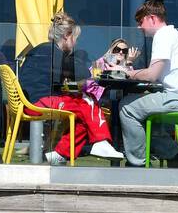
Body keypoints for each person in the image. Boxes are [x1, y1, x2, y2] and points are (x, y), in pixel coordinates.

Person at [13, 13, 117, 163]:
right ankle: (100, 140)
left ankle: (61, 154)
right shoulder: (56, 54)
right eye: (75, 38)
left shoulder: (41, 50)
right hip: (37, 104)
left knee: (84, 111)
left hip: (29, 101)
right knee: (87, 101)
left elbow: (55, 83)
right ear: (67, 35)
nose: (75, 44)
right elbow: (83, 73)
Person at [117, 0, 178, 169]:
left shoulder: (163, 35)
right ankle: (177, 156)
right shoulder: (172, 34)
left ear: (152, 18)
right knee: (146, 114)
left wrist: (126, 72)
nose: (139, 27)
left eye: (140, 21)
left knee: (126, 107)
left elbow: (152, 75)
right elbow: (156, 74)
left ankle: (137, 164)